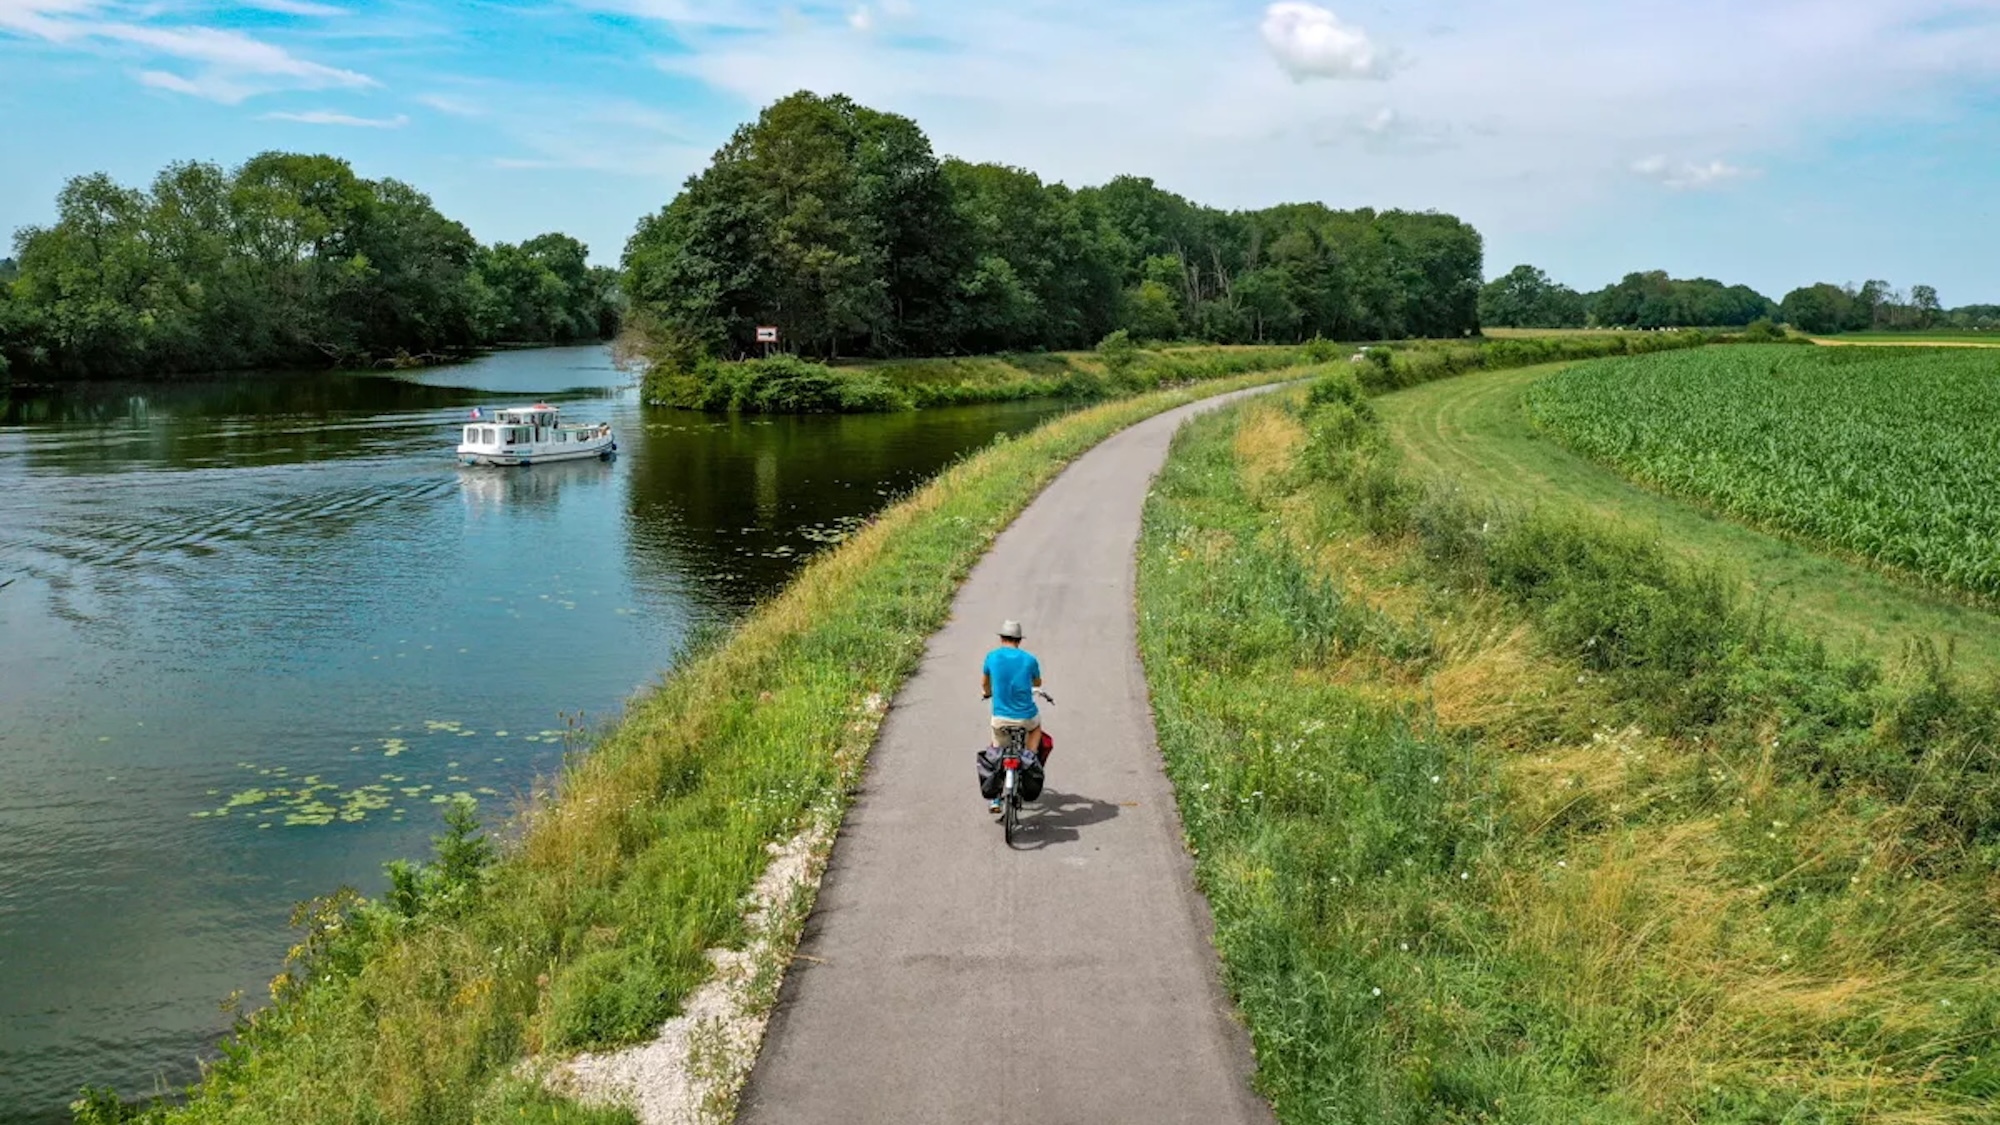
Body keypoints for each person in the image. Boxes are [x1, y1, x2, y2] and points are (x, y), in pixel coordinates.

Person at [981, 619, 1046, 813]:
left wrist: (987, 693)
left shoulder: (991, 657)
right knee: (1036, 727)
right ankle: (1030, 756)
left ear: (1001, 638)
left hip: (1000, 719)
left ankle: (995, 799)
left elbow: (985, 684)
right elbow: (1038, 681)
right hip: (1026, 718)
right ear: (1019, 640)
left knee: (996, 750)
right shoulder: (1029, 659)